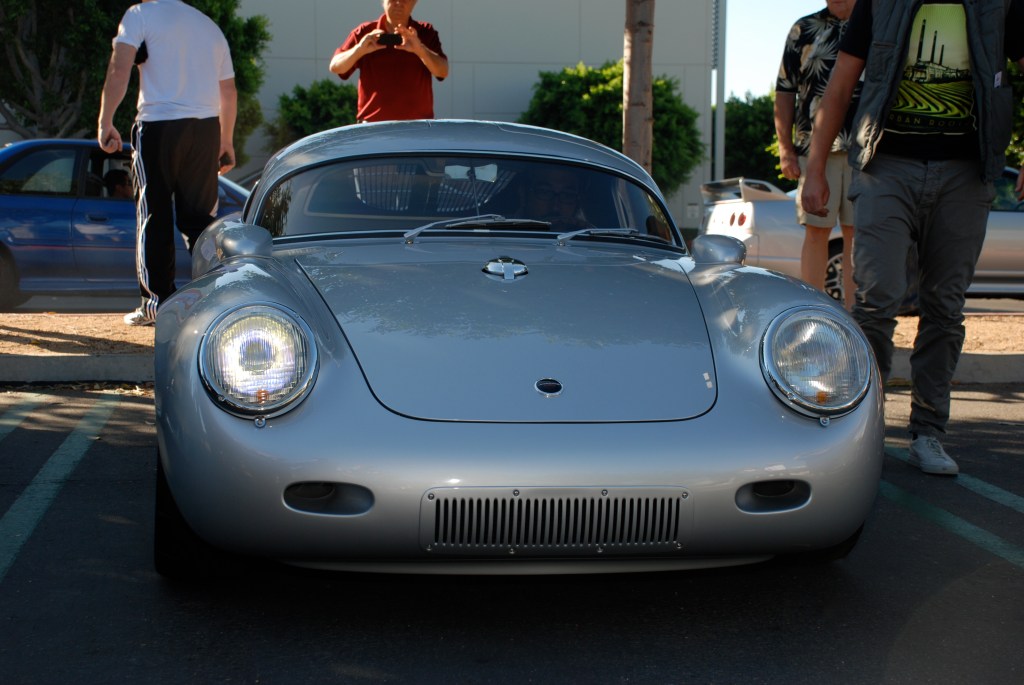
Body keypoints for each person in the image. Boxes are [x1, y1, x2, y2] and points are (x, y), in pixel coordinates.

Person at [801, 0, 1024, 476]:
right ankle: (861, 430)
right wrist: (815, 166)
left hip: (967, 172)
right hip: (886, 166)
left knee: (945, 305)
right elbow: (841, 83)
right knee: (878, 298)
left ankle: (928, 433)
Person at [97, 0, 237, 326]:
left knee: (154, 213)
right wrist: (225, 141)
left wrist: (105, 121)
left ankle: (157, 303)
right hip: (205, 129)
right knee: (199, 220)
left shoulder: (139, 15)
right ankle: (219, 299)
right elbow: (228, 90)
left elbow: (119, 68)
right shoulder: (207, 25)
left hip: (159, 124)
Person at [774, 0, 859, 310]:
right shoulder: (803, 29)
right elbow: (784, 90)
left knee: (857, 234)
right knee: (815, 231)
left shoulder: (876, 23)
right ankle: (813, 314)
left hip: (865, 149)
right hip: (813, 150)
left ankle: (855, 322)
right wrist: (786, 150)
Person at [328, 0, 448, 123]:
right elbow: (335, 66)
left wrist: (420, 49)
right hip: (373, 128)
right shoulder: (366, 32)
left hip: (417, 129)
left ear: (414, 2)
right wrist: (359, 49)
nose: (398, 3)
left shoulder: (425, 32)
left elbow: (442, 71)